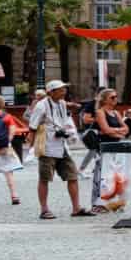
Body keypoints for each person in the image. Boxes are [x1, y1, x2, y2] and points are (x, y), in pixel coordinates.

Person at [26, 80, 91, 219]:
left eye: (64, 89)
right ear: (51, 92)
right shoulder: (41, 105)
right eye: (61, 89)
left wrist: (71, 134)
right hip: (47, 146)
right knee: (44, 178)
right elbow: (32, 126)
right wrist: (31, 147)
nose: (64, 91)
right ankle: (44, 210)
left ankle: (76, 208)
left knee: (72, 176)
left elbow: (66, 120)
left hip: (62, 146)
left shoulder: (62, 103)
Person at [0, 94, 23, 205]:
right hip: (4, 147)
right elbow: (12, 131)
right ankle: (14, 195)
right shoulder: (7, 116)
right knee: (8, 172)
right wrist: (7, 142)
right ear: (3, 104)